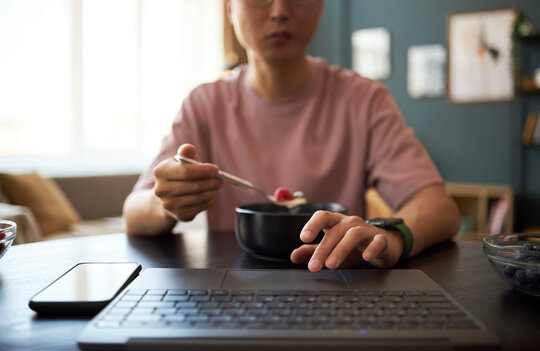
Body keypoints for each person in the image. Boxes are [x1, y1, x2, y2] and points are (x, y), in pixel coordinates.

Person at [123, 0, 461, 271]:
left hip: (337, 285)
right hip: (231, 288)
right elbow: (135, 211)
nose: (280, 10)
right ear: (229, 8)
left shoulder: (364, 100)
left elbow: (439, 210)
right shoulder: (205, 104)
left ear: (320, 6)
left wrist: (391, 239)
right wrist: (167, 203)